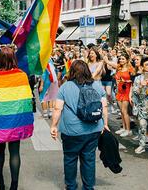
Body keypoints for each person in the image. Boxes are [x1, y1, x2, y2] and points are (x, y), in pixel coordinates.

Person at [50, 60, 109, 190]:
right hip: (93, 128)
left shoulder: (66, 86)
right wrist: (105, 123)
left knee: (70, 158)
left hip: (71, 130)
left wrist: (53, 126)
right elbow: (104, 106)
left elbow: (57, 108)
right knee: (89, 159)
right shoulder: (97, 85)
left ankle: (71, 186)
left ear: (72, 71)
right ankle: (88, 187)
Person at [0, 46, 34, 190]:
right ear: (13, 59)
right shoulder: (21, 75)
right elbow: (26, 100)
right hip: (15, 120)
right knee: (14, 152)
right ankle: (14, 186)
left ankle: (0, 184)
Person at [105, 52, 134, 137]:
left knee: (125, 111)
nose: (121, 60)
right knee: (121, 111)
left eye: (123, 59)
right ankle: (124, 128)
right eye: (120, 59)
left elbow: (134, 81)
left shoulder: (130, 69)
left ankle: (128, 130)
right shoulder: (118, 67)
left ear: (127, 60)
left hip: (127, 91)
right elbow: (109, 62)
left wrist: (126, 81)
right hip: (119, 91)